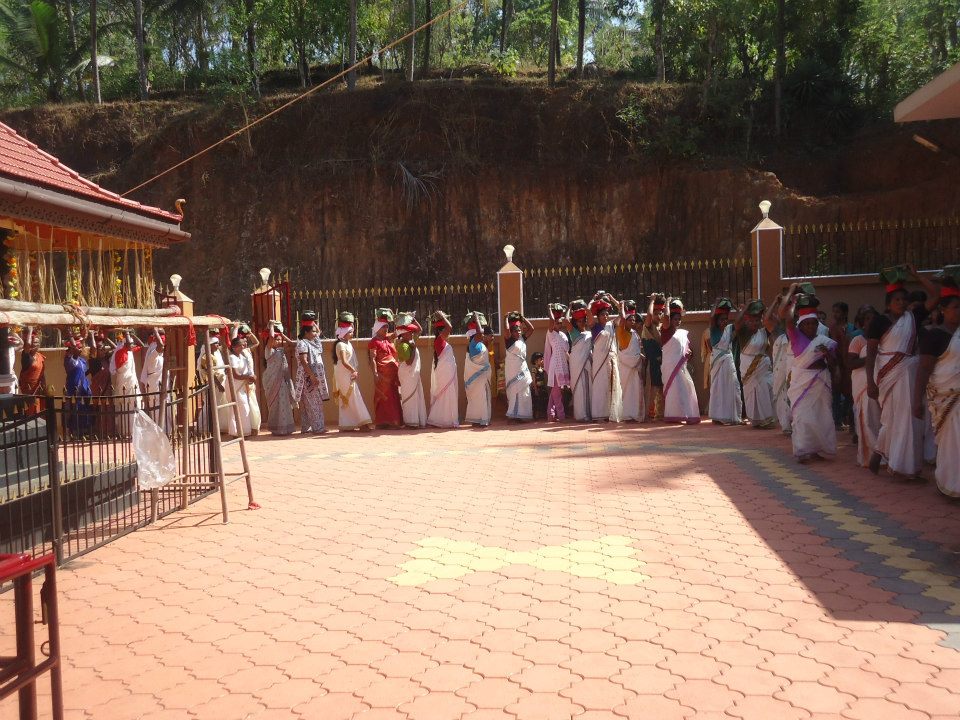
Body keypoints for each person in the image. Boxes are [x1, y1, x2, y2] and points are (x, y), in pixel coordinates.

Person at [865, 264, 940, 480]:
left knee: (909, 419)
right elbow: (870, 354)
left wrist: (918, 275)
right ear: (888, 304)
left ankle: (893, 459)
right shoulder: (879, 322)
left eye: (903, 299)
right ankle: (900, 466)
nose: (901, 303)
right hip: (888, 374)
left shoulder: (913, 317)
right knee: (893, 418)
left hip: (910, 373)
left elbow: (935, 295)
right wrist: (870, 382)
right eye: (896, 300)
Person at [780, 288, 839, 463]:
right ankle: (802, 450)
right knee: (803, 417)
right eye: (807, 324)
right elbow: (788, 319)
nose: (811, 327)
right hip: (802, 381)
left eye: (814, 323)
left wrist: (827, 355)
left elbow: (834, 363)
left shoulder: (823, 341)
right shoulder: (796, 337)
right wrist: (793, 302)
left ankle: (817, 449)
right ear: (801, 325)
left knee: (822, 416)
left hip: (821, 381)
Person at [916, 272, 960, 497]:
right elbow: (923, 369)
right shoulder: (935, 336)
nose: (958, 311)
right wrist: (916, 400)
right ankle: (950, 485)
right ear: (943, 309)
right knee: (951, 443)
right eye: (955, 307)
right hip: (944, 399)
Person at [735, 299, 777, 429]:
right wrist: (746, 307)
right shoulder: (743, 333)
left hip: (764, 368)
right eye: (751, 321)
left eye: (757, 321)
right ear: (747, 321)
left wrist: (769, 306)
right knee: (752, 392)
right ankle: (757, 420)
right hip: (748, 367)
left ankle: (767, 419)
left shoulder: (764, 332)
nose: (754, 323)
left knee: (766, 389)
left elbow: (774, 321)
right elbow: (737, 322)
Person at [848, 305, 880, 468]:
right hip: (863, 385)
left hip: (881, 383)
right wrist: (869, 358)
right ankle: (871, 454)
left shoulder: (885, 338)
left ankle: (884, 452)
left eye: (873, 318)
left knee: (881, 419)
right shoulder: (858, 340)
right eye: (867, 319)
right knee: (867, 417)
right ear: (861, 323)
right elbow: (851, 363)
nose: (871, 322)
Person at [660, 299, 700, 423]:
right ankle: (672, 415)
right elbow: (666, 317)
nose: (677, 321)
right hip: (670, 366)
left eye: (679, 319)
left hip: (681, 367)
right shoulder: (666, 330)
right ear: (670, 320)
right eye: (675, 319)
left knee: (684, 389)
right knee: (673, 390)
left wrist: (688, 353)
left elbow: (686, 350)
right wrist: (667, 303)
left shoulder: (682, 333)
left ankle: (684, 414)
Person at [331, 314, 372, 431]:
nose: (352, 334)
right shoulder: (340, 344)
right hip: (344, 373)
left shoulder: (347, 343)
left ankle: (348, 424)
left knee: (351, 398)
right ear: (344, 333)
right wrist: (353, 370)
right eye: (350, 332)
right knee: (352, 397)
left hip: (347, 372)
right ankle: (362, 423)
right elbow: (344, 361)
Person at [704, 299, 741, 425]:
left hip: (728, 362)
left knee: (732, 387)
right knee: (718, 388)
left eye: (726, 319)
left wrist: (735, 307)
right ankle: (718, 416)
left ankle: (732, 416)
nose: (724, 321)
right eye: (721, 319)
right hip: (718, 361)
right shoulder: (714, 329)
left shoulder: (730, 329)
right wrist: (716, 304)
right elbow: (711, 317)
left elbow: (740, 319)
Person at [294, 312, 330, 434]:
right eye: (313, 332)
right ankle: (318, 428)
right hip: (308, 378)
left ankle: (306, 428)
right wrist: (312, 376)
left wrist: (313, 322)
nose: (316, 334)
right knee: (314, 403)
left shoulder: (314, 342)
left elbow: (318, 333)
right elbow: (304, 362)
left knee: (308, 404)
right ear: (306, 332)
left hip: (312, 376)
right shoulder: (302, 343)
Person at [368, 309, 403, 429]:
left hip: (393, 375)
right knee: (384, 399)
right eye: (383, 327)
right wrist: (375, 374)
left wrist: (400, 319)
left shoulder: (388, 338)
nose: (386, 329)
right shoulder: (374, 342)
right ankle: (383, 422)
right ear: (377, 328)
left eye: (387, 327)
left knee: (394, 397)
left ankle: (394, 421)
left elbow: (398, 332)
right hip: (382, 375)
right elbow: (372, 359)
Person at [262, 321, 296, 436]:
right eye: (276, 340)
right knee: (275, 404)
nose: (277, 341)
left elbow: (292, 344)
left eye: (278, 340)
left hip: (282, 381)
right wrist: (271, 326)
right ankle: (276, 428)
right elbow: (271, 337)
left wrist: (281, 334)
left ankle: (285, 428)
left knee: (284, 403)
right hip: (272, 382)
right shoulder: (269, 350)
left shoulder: (280, 350)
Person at [427, 312, 459, 428]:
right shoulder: (439, 340)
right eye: (445, 330)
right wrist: (443, 316)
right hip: (445, 373)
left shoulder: (441, 341)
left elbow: (448, 328)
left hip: (446, 372)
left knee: (446, 395)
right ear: (442, 331)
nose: (448, 332)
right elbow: (449, 327)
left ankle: (444, 419)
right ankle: (442, 420)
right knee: (446, 394)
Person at [616, 299, 645, 422]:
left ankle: (635, 414)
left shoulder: (635, 333)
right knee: (625, 390)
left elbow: (637, 350)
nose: (632, 322)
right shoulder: (621, 331)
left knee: (635, 391)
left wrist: (640, 356)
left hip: (635, 368)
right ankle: (626, 415)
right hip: (625, 366)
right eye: (630, 320)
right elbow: (621, 319)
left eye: (634, 320)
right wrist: (621, 307)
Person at [396, 313, 427, 428]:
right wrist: (413, 348)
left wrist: (412, 318)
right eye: (409, 332)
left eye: (411, 332)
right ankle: (410, 421)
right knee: (409, 397)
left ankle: (415, 420)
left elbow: (420, 330)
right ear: (403, 334)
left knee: (414, 396)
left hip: (412, 375)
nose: (411, 334)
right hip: (408, 374)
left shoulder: (410, 341)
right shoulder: (404, 345)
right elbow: (409, 362)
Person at [110, 330, 143, 437]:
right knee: (125, 405)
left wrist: (132, 335)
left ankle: (134, 430)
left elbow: (141, 345)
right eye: (130, 343)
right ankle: (125, 431)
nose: (132, 345)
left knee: (134, 404)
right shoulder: (121, 352)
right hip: (124, 381)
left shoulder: (129, 351)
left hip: (131, 381)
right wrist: (127, 333)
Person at [542, 303, 570, 422]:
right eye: (556, 322)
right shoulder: (551, 333)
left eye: (559, 323)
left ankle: (551, 414)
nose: (558, 324)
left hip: (563, 365)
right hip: (555, 366)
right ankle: (561, 415)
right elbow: (552, 320)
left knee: (556, 392)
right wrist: (549, 309)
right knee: (556, 393)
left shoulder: (563, 335)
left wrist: (568, 309)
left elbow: (566, 351)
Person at [464, 311, 492, 426]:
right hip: (478, 379)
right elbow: (480, 332)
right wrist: (476, 318)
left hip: (479, 379)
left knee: (478, 399)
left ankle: (478, 420)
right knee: (480, 398)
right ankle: (480, 420)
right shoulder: (474, 344)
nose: (482, 335)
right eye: (478, 334)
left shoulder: (480, 344)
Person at [769, 297, 792, 434]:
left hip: (794, 365)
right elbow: (766, 318)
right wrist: (775, 303)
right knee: (781, 391)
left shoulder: (797, 327)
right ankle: (785, 424)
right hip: (780, 368)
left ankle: (795, 421)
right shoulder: (776, 330)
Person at [233, 324, 262, 435]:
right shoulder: (236, 354)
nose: (245, 344)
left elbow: (257, 343)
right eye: (242, 342)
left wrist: (250, 334)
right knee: (244, 406)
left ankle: (254, 427)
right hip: (241, 383)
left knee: (253, 405)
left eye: (245, 342)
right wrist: (236, 329)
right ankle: (245, 429)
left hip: (251, 382)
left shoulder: (248, 351)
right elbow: (233, 340)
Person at [227, 335, 257, 437]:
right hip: (234, 385)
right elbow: (235, 375)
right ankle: (235, 432)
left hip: (243, 386)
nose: (243, 346)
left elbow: (247, 372)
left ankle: (244, 432)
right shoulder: (232, 358)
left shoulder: (243, 357)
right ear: (234, 347)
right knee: (239, 407)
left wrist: (252, 378)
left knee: (244, 407)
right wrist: (248, 377)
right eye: (240, 345)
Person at [642, 294, 667, 419]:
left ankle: (661, 413)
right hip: (652, 363)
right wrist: (652, 300)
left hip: (663, 363)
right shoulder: (648, 327)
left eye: (660, 313)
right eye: (656, 313)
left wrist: (667, 303)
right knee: (653, 388)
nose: (658, 316)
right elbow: (649, 316)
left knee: (663, 387)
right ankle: (650, 414)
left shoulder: (663, 327)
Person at [568, 299, 592, 421]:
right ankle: (580, 415)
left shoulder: (589, 333)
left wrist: (587, 307)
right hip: (577, 364)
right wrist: (570, 307)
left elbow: (591, 318)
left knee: (588, 388)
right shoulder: (574, 333)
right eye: (579, 321)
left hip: (587, 364)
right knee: (579, 390)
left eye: (583, 321)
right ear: (575, 322)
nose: (581, 323)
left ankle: (588, 413)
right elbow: (566, 321)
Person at [64, 333, 92, 437]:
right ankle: (72, 433)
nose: (80, 349)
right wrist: (70, 335)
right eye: (77, 348)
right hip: (73, 390)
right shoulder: (69, 360)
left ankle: (84, 432)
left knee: (84, 412)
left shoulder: (82, 361)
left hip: (83, 390)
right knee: (73, 412)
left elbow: (85, 372)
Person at [139, 327, 166, 425]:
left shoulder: (159, 355)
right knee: (157, 414)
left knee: (166, 412)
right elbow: (160, 346)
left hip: (162, 386)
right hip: (155, 387)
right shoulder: (152, 352)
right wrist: (155, 331)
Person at [18, 328, 46, 415]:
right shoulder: (26, 356)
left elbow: (42, 373)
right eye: (32, 343)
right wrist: (30, 330)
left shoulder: (40, 356)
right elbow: (27, 345)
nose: (34, 344)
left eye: (36, 343)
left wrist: (44, 387)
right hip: (29, 390)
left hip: (39, 389)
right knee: (32, 412)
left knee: (41, 411)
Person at [531, 352, 548, 419]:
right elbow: (534, 380)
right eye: (540, 359)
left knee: (543, 401)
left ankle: (543, 414)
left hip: (542, 387)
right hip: (537, 388)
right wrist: (535, 389)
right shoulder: (534, 369)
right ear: (535, 361)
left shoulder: (542, 369)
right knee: (536, 402)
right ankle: (536, 415)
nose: (542, 360)